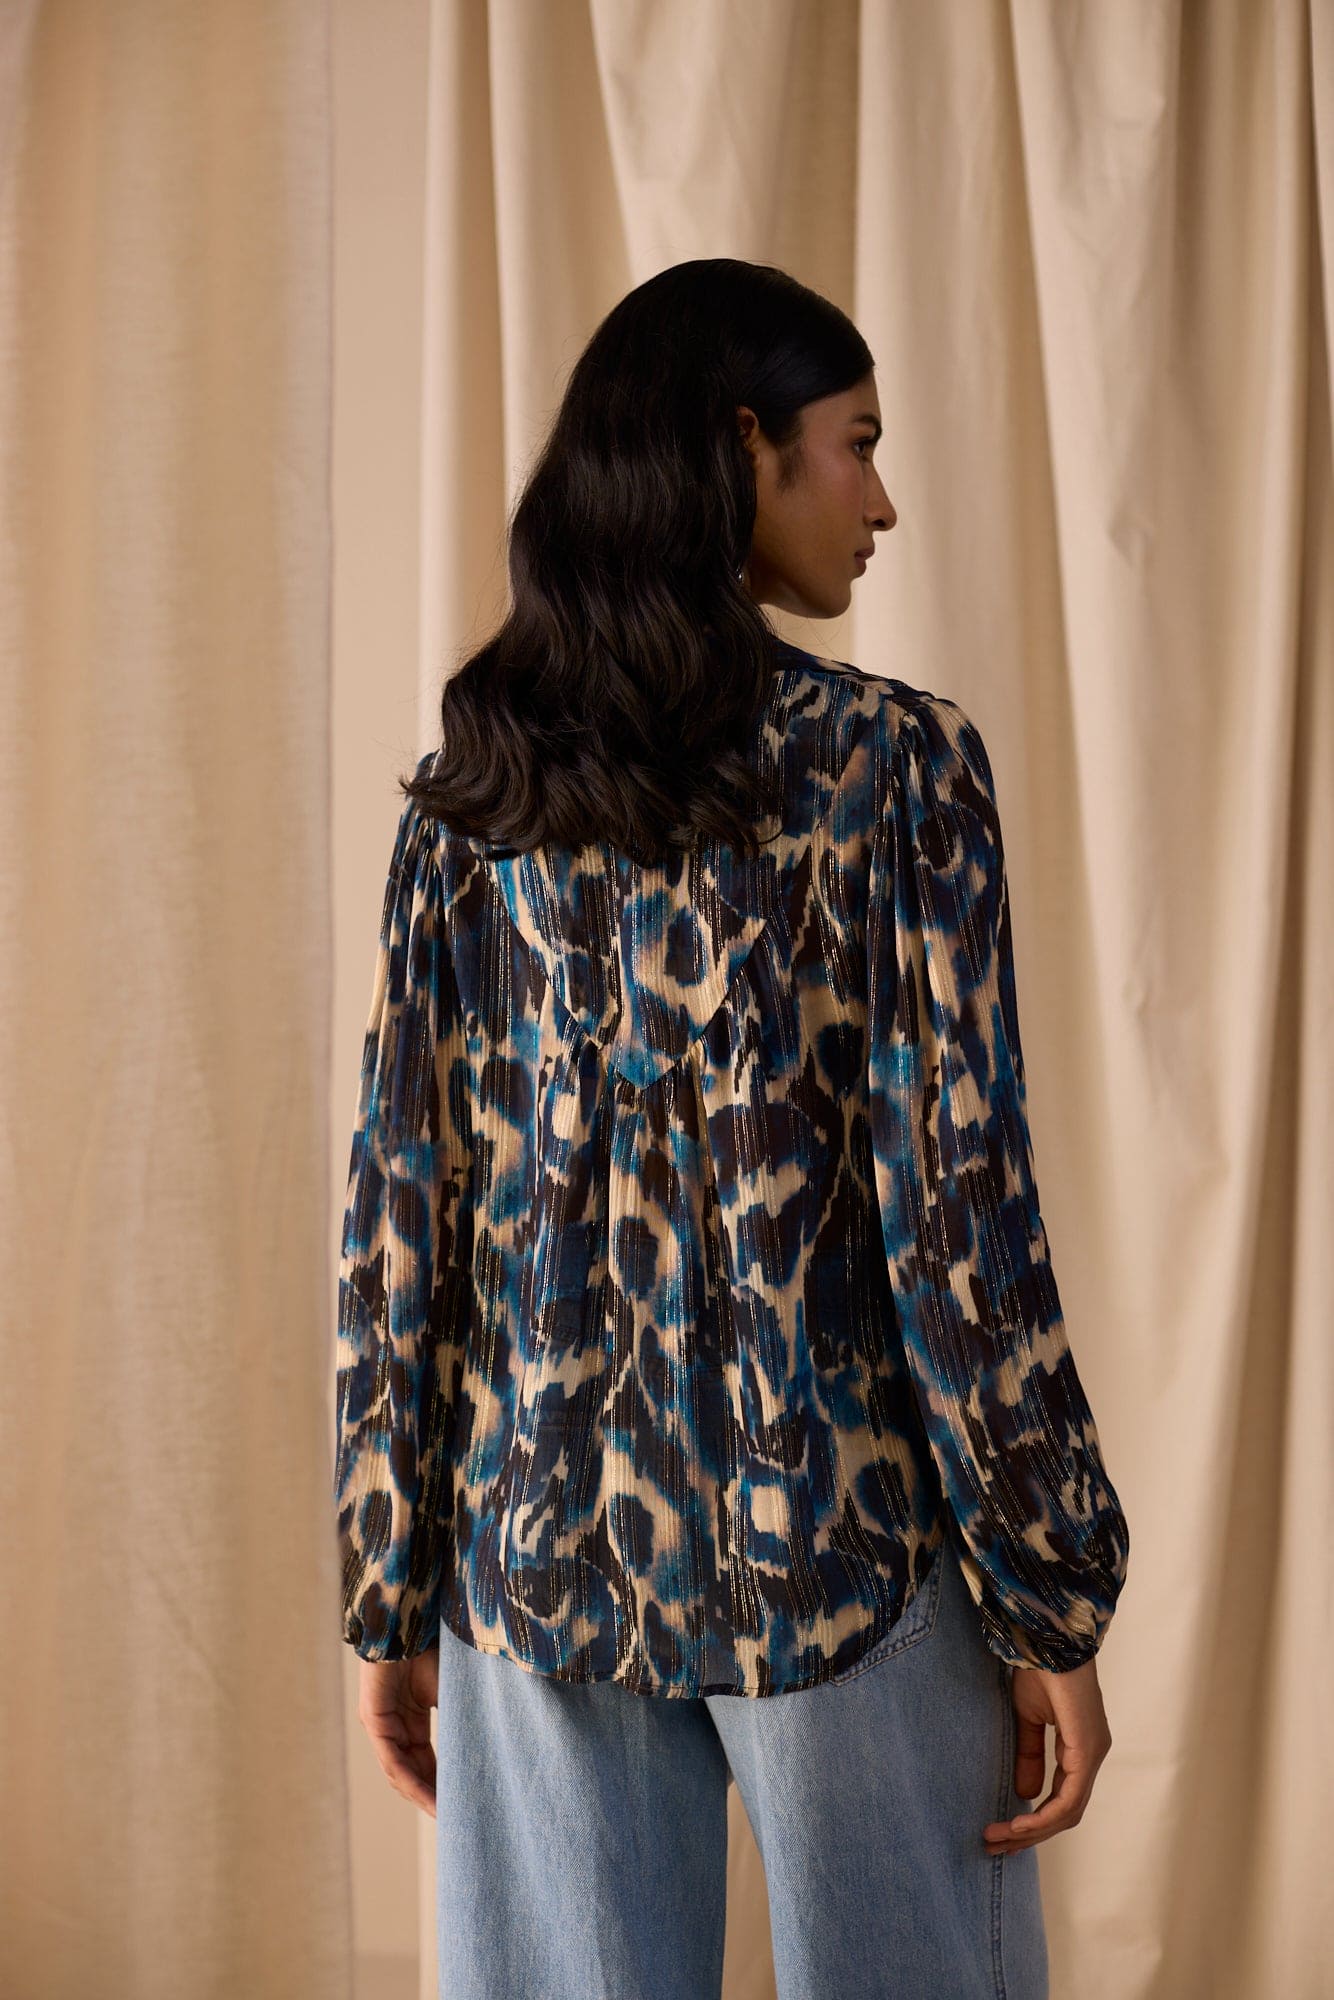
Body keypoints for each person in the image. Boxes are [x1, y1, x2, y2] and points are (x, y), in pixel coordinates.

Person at [332, 258, 1130, 2000]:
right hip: (836, 1545)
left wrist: (391, 1580)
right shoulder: (894, 771)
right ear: (741, 447)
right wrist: (1045, 1594)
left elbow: (402, 1219)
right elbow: (956, 1217)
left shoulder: (474, 800)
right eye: (856, 444)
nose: (881, 501)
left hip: (536, 1554)